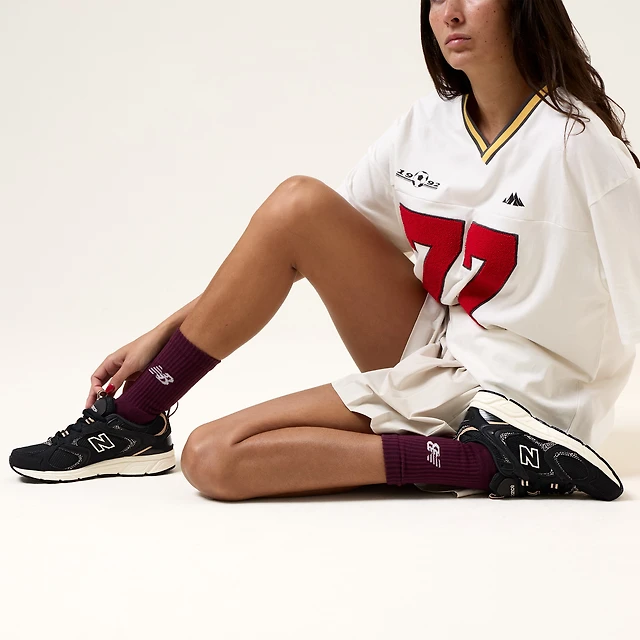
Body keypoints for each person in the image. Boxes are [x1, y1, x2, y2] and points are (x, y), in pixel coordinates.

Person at [9, 0, 638, 501]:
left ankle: (509, 456)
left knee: (211, 458)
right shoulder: (427, 125)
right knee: (298, 206)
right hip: (441, 360)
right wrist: (162, 333)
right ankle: (136, 419)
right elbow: (285, 250)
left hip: (531, 399)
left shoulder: (580, 146)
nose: (449, 13)